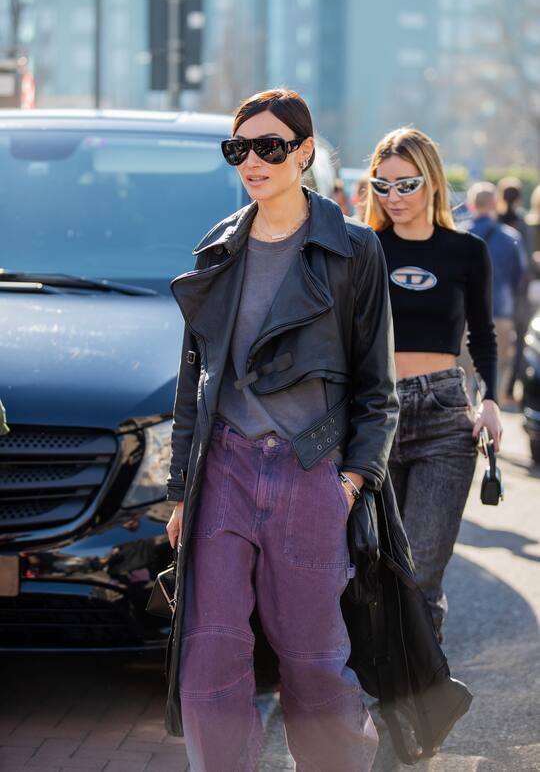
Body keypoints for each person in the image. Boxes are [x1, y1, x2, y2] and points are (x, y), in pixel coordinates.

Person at [164, 88, 399, 771]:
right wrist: (180, 492)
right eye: (238, 149)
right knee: (208, 656)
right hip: (223, 471)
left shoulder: (352, 250)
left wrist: (349, 481)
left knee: (314, 660)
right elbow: (195, 382)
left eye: (269, 146)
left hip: (309, 469)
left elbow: (377, 388)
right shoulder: (219, 249)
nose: (252, 162)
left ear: (304, 151)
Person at [365, 127, 502, 643]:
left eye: (406, 184)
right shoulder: (365, 249)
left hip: (444, 414)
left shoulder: (467, 251)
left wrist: (490, 400)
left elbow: (483, 335)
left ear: (433, 182)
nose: (393, 197)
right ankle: (381, 682)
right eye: (382, 186)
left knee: (421, 574)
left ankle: (419, 690)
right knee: (377, 571)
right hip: (375, 415)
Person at [464, 182, 526, 405]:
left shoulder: (458, 234)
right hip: (501, 310)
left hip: (464, 314)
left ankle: (467, 415)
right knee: (497, 369)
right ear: (495, 204)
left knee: (464, 374)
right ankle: (491, 411)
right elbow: (520, 275)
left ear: (471, 204)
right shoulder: (510, 237)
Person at [497, 176, 533, 399]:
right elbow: (525, 262)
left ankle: (491, 388)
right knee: (520, 340)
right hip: (517, 295)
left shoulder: (495, 222)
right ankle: (510, 388)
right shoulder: (522, 224)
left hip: (495, 295)